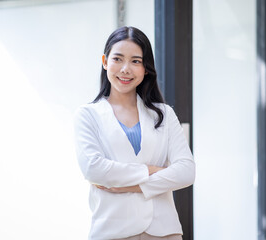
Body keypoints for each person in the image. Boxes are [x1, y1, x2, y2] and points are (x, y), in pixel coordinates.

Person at [73, 26, 195, 240]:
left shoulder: (164, 114)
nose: (125, 69)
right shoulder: (88, 115)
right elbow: (94, 169)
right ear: (105, 61)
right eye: (118, 59)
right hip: (112, 231)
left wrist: (135, 186)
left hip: (164, 232)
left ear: (146, 68)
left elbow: (186, 171)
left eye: (136, 61)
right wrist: (150, 170)